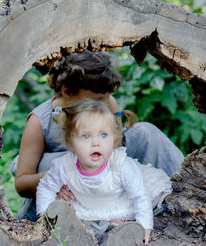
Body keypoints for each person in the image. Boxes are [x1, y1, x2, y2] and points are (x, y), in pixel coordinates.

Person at [12, 50, 184, 221]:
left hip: (104, 178)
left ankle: (184, 194)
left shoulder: (107, 102)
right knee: (52, 161)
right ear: (68, 92)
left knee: (145, 132)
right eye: (99, 99)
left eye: (107, 97)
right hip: (66, 186)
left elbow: (115, 150)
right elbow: (21, 183)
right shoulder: (40, 121)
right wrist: (60, 177)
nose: (106, 103)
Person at [36, 99, 172, 244]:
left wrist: (145, 227)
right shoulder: (64, 166)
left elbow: (139, 196)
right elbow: (46, 187)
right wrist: (44, 215)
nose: (96, 142)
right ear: (70, 143)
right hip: (86, 208)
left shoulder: (121, 165)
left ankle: (121, 235)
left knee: (131, 219)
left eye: (103, 135)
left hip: (121, 204)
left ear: (114, 138)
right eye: (86, 136)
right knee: (72, 226)